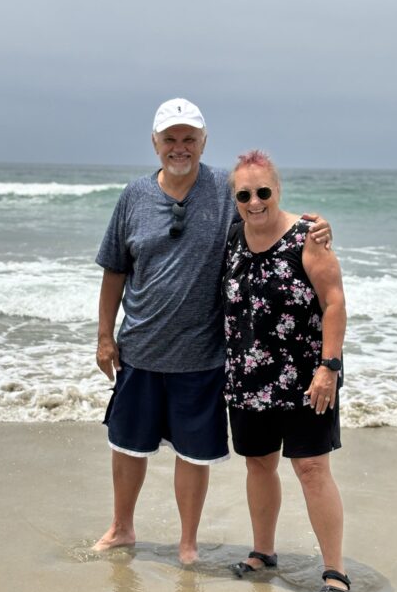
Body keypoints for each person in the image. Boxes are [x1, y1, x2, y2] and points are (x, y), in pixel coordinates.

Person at [93, 99, 331, 564]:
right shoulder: (133, 196)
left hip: (202, 354)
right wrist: (105, 336)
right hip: (139, 348)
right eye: (170, 140)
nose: (179, 148)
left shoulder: (226, 191)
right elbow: (114, 270)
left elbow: (266, 207)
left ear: (203, 143)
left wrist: (315, 225)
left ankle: (187, 543)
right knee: (126, 446)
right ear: (155, 144)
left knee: (192, 454)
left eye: (189, 139)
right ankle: (122, 528)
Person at [223, 149, 350, 592]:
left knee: (312, 469)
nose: (254, 201)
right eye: (243, 194)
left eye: (263, 192)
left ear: (278, 190)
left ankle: (335, 573)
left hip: (307, 376)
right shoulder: (232, 238)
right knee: (258, 464)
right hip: (248, 375)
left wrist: (328, 368)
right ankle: (263, 552)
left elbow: (334, 303)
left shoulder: (308, 238)